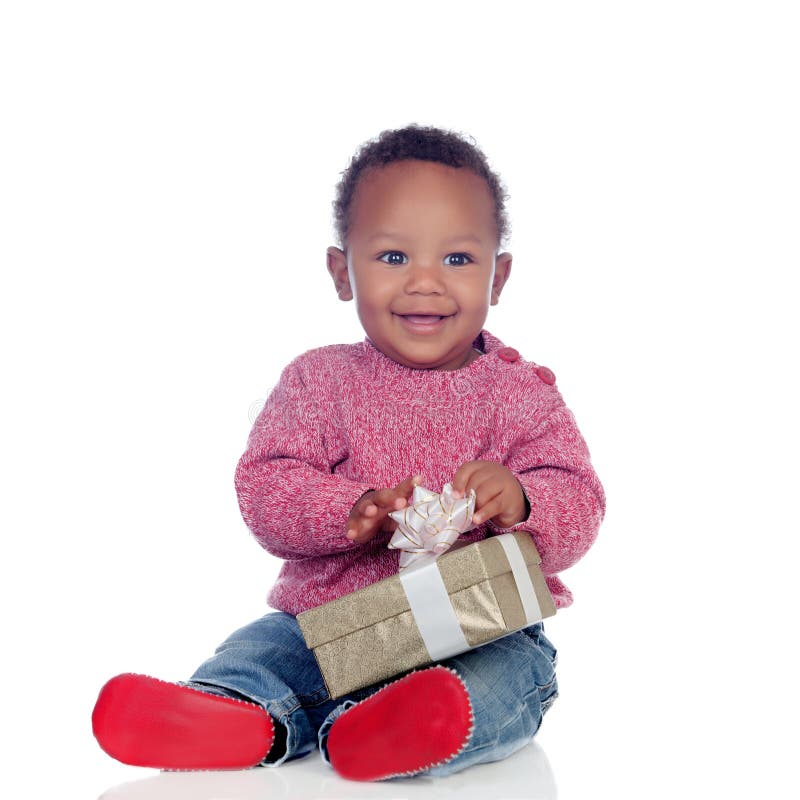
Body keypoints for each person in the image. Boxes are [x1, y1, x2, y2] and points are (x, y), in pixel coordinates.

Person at [92, 124, 606, 782]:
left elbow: (580, 499)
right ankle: (228, 711)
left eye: (457, 260)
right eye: (393, 258)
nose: (425, 284)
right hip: (330, 623)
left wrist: (525, 498)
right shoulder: (319, 382)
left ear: (498, 276)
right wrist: (352, 508)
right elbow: (267, 484)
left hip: (478, 627)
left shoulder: (520, 394)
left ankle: (403, 728)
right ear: (342, 271)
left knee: (511, 673)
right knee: (268, 649)